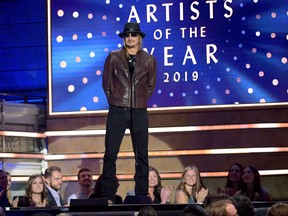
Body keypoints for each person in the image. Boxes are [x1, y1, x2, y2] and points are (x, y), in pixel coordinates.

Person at [101, 22, 157, 204]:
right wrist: (115, 100)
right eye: (127, 35)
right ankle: (108, 195)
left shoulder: (149, 60)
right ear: (124, 38)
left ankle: (141, 195)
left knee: (142, 155)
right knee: (110, 154)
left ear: (139, 38)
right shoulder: (114, 57)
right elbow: (106, 84)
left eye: (133, 35)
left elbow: (150, 86)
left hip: (139, 112)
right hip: (117, 110)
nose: (130, 38)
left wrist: (139, 102)